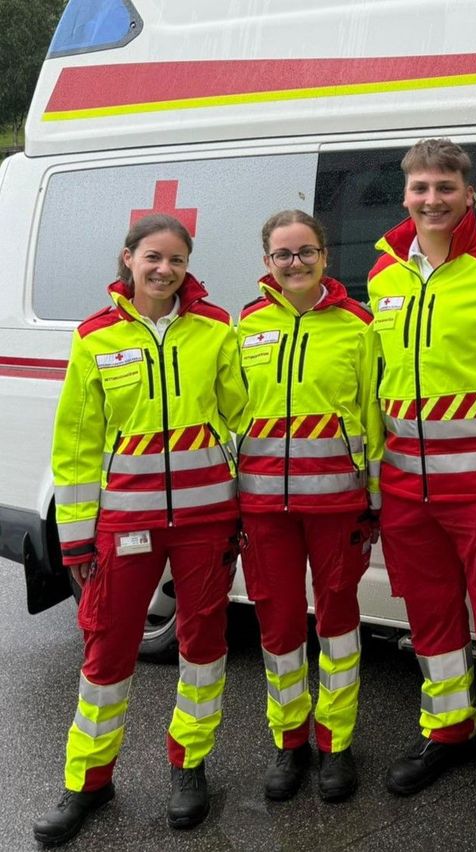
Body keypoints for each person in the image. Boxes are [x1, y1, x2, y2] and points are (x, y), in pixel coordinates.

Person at [34, 214, 247, 846]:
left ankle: (190, 766)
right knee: (107, 649)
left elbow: (243, 413)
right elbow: (75, 448)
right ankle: (88, 781)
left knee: (204, 646)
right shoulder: (94, 339)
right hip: (127, 521)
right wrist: (75, 536)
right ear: (128, 259)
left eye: (176, 260)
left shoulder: (216, 331)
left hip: (207, 519)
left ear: (188, 266)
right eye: (153, 257)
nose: (164, 270)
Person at [368, 138, 476, 815]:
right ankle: (447, 728)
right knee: (430, 616)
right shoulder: (384, 275)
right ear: (405, 194)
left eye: (445, 186)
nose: (432, 199)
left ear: (471, 195)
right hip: (407, 485)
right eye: (420, 188)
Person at [236, 210, 382, 804]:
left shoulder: (359, 326)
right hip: (263, 507)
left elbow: (373, 416)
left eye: (305, 252)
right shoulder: (241, 327)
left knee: (340, 625)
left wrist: (372, 502)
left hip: (338, 506)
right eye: (282, 254)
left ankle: (337, 741)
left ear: (325, 255)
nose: (294, 263)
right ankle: (289, 739)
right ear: (266, 262)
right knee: (278, 626)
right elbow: (227, 418)